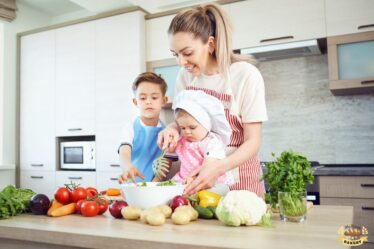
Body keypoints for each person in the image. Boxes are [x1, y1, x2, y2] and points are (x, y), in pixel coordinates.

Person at [157, 4, 268, 197]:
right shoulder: (185, 76)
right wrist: (172, 128)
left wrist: (217, 168)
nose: (181, 62)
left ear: (210, 44)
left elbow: (253, 141)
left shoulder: (245, 75)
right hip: (197, 182)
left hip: (239, 180)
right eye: (176, 54)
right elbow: (182, 119)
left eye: (188, 53)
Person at [171, 90, 234, 194]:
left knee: (219, 190)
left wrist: (194, 181)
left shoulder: (213, 143)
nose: (187, 131)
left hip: (208, 181)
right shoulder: (182, 141)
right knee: (171, 190)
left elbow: (208, 166)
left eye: (192, 127)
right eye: (182, 128)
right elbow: (171, 156)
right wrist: (170, 147)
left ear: (206, 125)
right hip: (185, 180)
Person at [118, 72, 168, 184]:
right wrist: (128, 167)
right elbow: (124, 153)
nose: (148, 102)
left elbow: (168, 161)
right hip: (133, 186)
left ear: (164, 101)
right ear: (136, 102)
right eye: (143, 98)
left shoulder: (166, 132)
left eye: (154, 97)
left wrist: (156, 182)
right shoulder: (130, 128)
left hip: (156, 186)